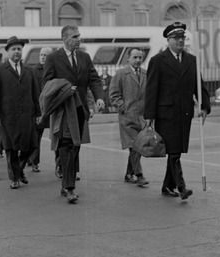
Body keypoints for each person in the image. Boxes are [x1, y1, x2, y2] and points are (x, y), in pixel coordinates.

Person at [144, 22, 210, 201]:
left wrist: (204, 106)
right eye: (177, 38)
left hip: (184, 114)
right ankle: (181, 187)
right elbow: (151, 89)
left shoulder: (191, 60)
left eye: (183, 37)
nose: (181, 41)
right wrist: (149, 115)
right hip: (166, 114)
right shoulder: (158, 61)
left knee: (176, 151)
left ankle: (167, 185)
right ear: (168, 40)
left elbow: (199, 85)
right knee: (173, 151)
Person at [42, 25, 106, 202]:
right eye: (75, 36)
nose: (79, 39)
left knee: (75, 146)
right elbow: (47, 84)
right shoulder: (53, 58)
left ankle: (65, 183)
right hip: (63, 110)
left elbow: (94, 79)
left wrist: (99, 98)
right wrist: (64, 89)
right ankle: (69, 187)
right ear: (64, 39)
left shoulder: (84, 57)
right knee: (66, 145)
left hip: (80, 110)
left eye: (79, 36)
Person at [0, 36, 40, 189]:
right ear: (7, 52)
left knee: (31, 146)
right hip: (8, 117)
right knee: (11, 148)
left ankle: (18, 170)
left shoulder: (29, 70)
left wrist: (38, 114)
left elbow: (35, 94)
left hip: (27, 116)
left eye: (19, 49)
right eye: (13, 49)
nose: (16, 52)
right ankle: (14, 178)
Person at [108, 48, 149, 187]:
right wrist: (123, 107)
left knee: (137, 147)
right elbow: (113, 94)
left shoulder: (145, 74)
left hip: (142, 118)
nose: (138, 60)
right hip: (128, 118)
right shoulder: (121, 74)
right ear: (128, 59)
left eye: (140, 57)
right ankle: (139, 175)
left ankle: (128, 173)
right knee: (135, 147)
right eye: (135, 57)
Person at [26, 46, 52, 172]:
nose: (42, 57)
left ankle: (59, 166)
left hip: (52, 107)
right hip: (38, 108)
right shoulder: (33, 70)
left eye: (45, 55)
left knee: (57, 137)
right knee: (36, 136)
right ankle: (34, 162)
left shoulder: (54, 70)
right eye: (41, 55)